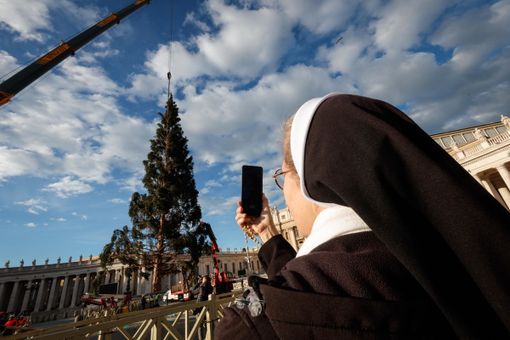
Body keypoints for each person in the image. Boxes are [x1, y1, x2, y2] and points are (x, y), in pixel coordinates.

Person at [215, 94, 510, 339]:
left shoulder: (252, 325)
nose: (285, 195)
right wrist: (269, 234)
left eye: (284, 177)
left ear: (312, 179)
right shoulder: (451, 258)